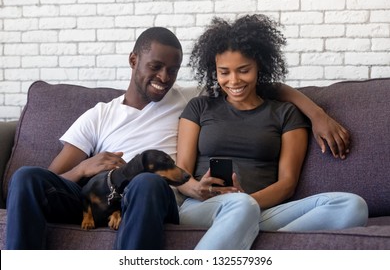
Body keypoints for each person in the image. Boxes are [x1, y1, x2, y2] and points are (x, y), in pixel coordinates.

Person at [6, 24, 355, 250]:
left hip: (151, 193)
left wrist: (317, 114)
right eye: (156, 67)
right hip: (101, 196)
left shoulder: (188, 98)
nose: (165, 77)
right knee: (26, 177)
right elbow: (54, 180)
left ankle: (239, 218)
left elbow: (259, 86)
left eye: (172, 70)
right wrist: (84, 168)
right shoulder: (98, 115)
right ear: (133, 60)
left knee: (148, 182)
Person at [176, 14, 368, 247]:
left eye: (244, 70)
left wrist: (246, 201)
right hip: (201, 207)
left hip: (260, 208)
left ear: (260, 67)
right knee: (241, 207)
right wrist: (196, 189)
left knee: (352, 205)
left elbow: (287, 183)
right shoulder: (199, 106)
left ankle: (250, 238)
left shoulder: (285, 113)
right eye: (224, 72)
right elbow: (181, 171)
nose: (234, 80)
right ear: (214, 71)